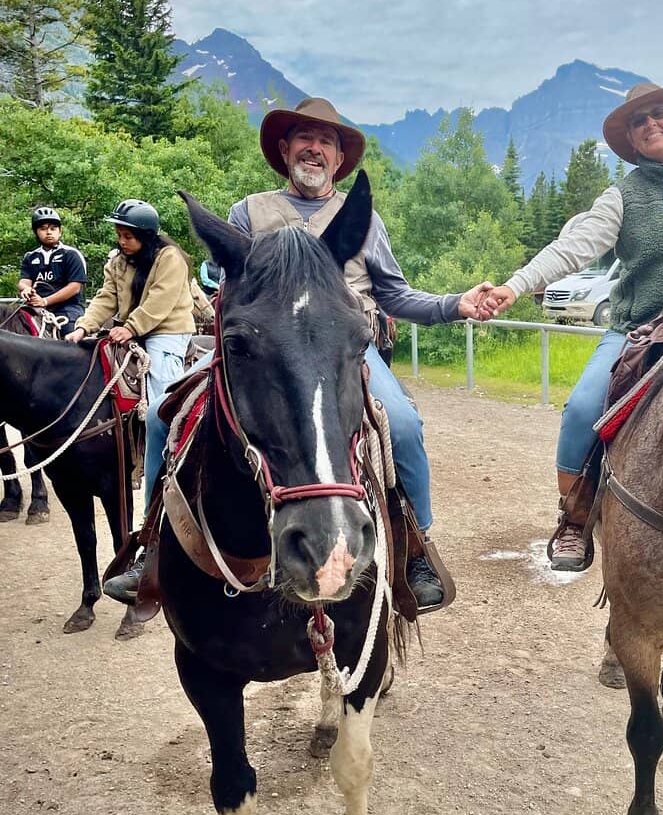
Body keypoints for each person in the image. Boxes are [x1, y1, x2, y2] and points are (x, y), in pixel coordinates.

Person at [105, 97, 494, 610]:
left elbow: (394, 294)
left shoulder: (362, 221)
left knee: (401, 424)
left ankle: (416, 547)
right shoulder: (249, 212)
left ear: (339, 158)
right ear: (285, 150)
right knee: (162, 413)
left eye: (326, 141)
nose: (315, 149)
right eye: (305, 139)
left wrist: (453, 304)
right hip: (265, 348)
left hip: (341, 346)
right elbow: (229, 286)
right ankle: (151, 542)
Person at [485, 80, 663, 571]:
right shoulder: (622, 197)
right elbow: (573, 247)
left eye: (658, 114)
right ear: (631, 138)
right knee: (582, 407)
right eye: (638, 121)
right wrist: (515, 284)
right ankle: (575, 518)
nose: (650, 124)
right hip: (638, 328)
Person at [65, 199, 195, 406]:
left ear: (146, 236)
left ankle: (168, 422)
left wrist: (130, 328)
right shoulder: (118, 261)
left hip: (166, 330)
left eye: (128, 236)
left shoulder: (170, 257)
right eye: (119, 235)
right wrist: (83, 327)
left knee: (162, 390)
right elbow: (106, 297)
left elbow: (160, 299)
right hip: (133, 329)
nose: (122, 241)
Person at [17, 207, 87, 334]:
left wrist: (45, 301)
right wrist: (26, 289)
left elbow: (75, 287)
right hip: (36, 306)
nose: (48, 232)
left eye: (53, 228)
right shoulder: (30, 257)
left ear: (60, 232)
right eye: (43, 229)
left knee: (69, 335)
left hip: (68, 308)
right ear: (36, 232)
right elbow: (24, 280)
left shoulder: (71, 255)